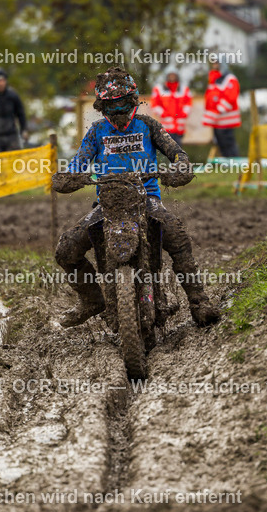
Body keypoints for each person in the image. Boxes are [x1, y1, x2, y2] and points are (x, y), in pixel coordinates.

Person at [52, 67, 219, 329]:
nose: (117, 113)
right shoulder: (96, 132)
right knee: (66, 250)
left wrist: (180, 167)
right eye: (111, 107)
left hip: (147, 198)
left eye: (121, 105)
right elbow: (77, 165)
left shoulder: (149, 125)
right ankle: (92, 300)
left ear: (132, 102)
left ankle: (199, 301)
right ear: (101, 107)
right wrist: (67, 178)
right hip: (107, 204)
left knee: (177, 237)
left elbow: (177, 153)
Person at [203, 63, 241, 157]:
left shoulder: (229, 78)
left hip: (226, 118)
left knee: (228, 142)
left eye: (217, 63)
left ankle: (234, 162)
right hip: (216, 119)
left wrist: (219, 109)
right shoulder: (213, 79)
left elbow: (231, 97)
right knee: (221, 143)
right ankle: (227, 163)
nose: (215, 65)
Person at [149, 72, 192, 146]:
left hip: (179, 126)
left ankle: (178, 158)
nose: (172, 77)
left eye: (174, 75)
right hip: (166, 125)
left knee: (178, 147)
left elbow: (188, 103)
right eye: (170, 75)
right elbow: (154, 104)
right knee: (167, 147)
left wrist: (184, 113)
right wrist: (163, 113)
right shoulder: (159, 89)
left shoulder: (184, 89)